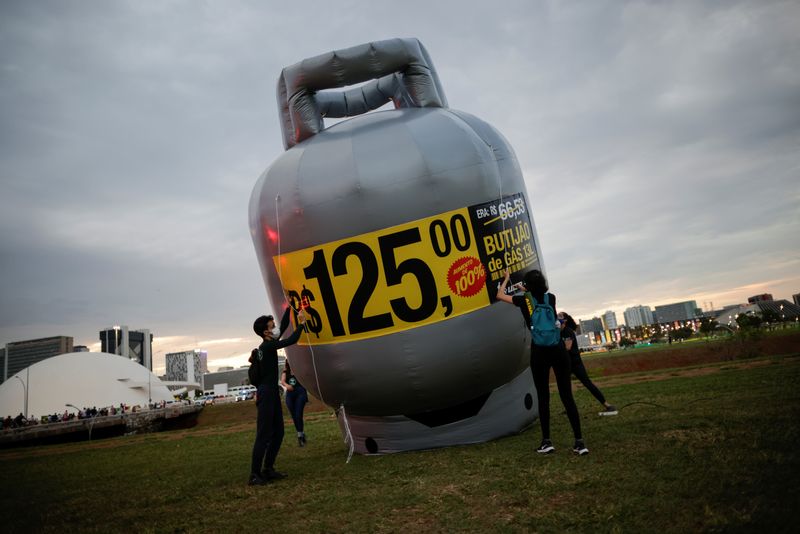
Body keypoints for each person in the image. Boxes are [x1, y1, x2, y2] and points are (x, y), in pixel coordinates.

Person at [497, 269, 588, 455]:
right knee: (566, 396)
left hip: (540, 352)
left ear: (527, 286)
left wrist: (507, 279)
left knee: (543, 397)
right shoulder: (551, 298)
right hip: (559, 350)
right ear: (543, 284)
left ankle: (547, 441)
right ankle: (579, 442)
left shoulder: (524, 301)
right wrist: (528, 290)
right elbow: (537, 298)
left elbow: (499, 295)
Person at [248, 307, 306, 486]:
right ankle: (254, 474)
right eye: (271, 326)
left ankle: (268, 469)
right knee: (264, 434)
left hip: (272, 392)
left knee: (278, 432)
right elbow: (292, 339)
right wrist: (303, 323)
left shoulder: (269, 342)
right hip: (266, 393)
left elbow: (284, 326)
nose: (275, 328)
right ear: (266, 331)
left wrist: (289, 307)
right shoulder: (267, 345)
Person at [558, 312, 618, 416]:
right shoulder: (558, 333)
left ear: (565, 320)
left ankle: (608, 405)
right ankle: (569, 408)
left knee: (587, 383)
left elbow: (567, 348)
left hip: (575, 363)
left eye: (560, 316)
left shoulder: (568, 332)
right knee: (565, 387)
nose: (557, 317)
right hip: (565, 363)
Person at [281, 359, 309, 447]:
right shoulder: (286, 371)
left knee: (298, 415)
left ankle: (300, 436)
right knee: (294, 416)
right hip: (290, 394)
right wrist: (287, 385)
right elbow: (282, 381)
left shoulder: (300, 370)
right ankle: (301, 433)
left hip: (300, 392)